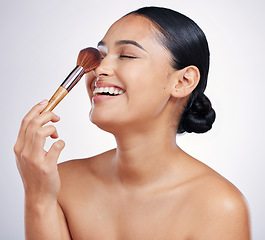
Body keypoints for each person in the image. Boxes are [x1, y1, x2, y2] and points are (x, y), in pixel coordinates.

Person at [14, 6, 250, 240]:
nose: (100, 69)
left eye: (126, 55)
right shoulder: (58, 183)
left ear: (183, 81)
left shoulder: (219, 206)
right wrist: (38, 197)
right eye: (101, 55)